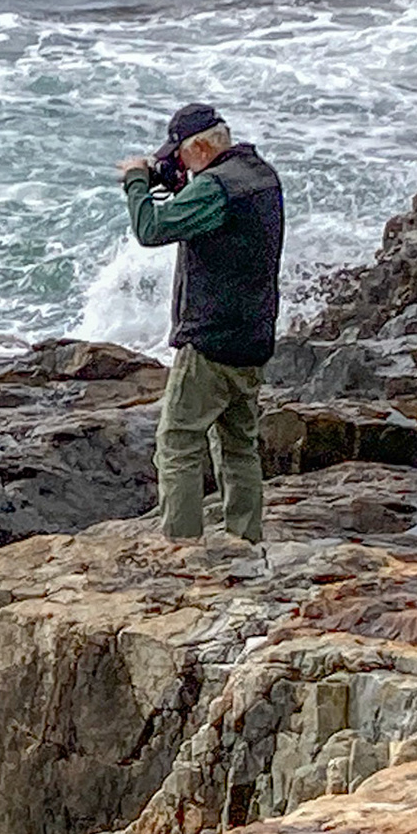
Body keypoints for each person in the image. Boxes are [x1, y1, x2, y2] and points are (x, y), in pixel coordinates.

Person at [116, 103, 284, 546]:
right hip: (253, 335)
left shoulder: (215, 189)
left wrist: (137, 181)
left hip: (210, 340)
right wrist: (177, 180)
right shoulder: (261, 175)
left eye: (182, 155)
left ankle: (182, 545)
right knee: (239, 445)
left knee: (178, 443)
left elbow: (150, 229)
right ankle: (245, 539)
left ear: (204, 147)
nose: (178, 163)